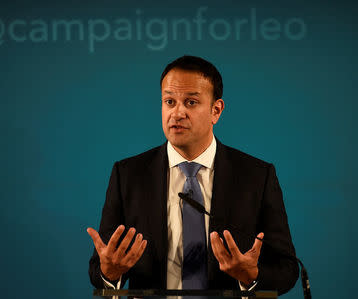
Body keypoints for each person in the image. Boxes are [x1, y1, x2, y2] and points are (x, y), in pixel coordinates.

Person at [87, 55, 299, 295]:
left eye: (190, 103)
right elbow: (99, 269)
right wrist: (110, 273)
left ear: (215, 111)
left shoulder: (256, 176)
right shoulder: (128, 175)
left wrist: (250, 276)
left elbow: (287, 269)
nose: (177, 113)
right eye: (169, 101)